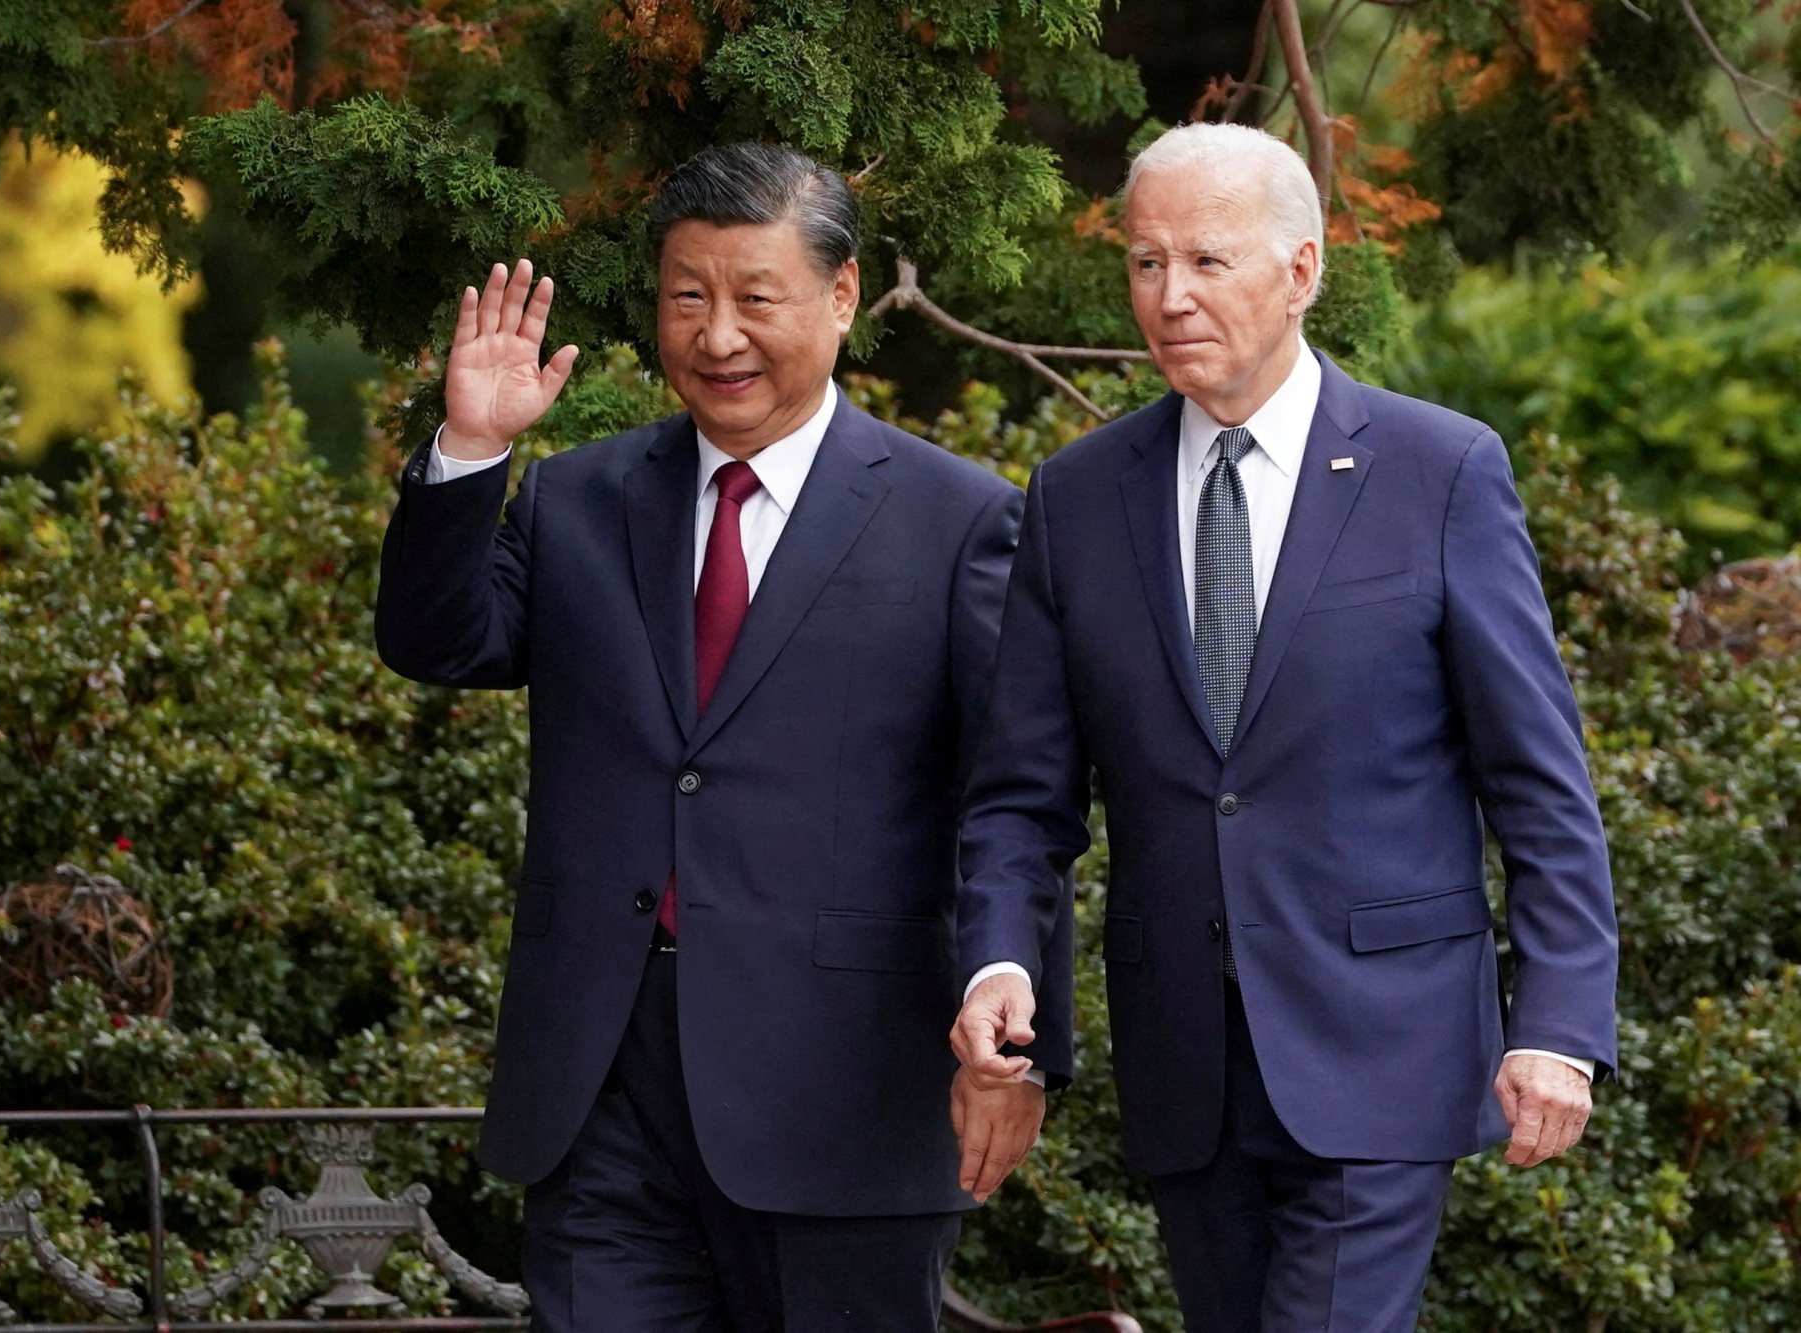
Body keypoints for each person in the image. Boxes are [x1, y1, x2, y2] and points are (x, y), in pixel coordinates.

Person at [375, 141, 1065, 1332]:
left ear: (841, 296)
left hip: (841, 1090)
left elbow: (1012, 799)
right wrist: (474, 451)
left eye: (755, 298)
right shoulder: (576, 500)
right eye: (686, 297)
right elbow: (438, 642)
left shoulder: (961, 523)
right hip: (602, 1081)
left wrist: (1019, 1035)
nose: (717, 335)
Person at [948, 122, 1619, 1332]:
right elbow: (1020, 796)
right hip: (1184, 1067)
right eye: (1144, 264)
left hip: (1382, 1049)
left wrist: (1560, 1022)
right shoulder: (1076, 497)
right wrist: (997, 960)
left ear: (1300, 270)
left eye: (1206, 261)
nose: (1168, 296)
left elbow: (1537, 780)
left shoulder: (1440, 471)